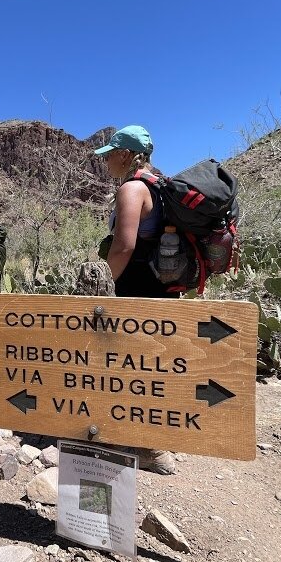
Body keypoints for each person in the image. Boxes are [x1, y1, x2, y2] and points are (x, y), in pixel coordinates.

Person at [94, 125, 178, 475]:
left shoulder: (131, 188)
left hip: (136, 289)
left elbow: (124, 246)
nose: (107, 161)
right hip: (158, 287)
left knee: (131, 365)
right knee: (147, 366)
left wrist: (100, 288)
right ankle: (151, 441)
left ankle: (150, 449)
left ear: (126, 155)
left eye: (111, 154)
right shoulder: (157, 186)